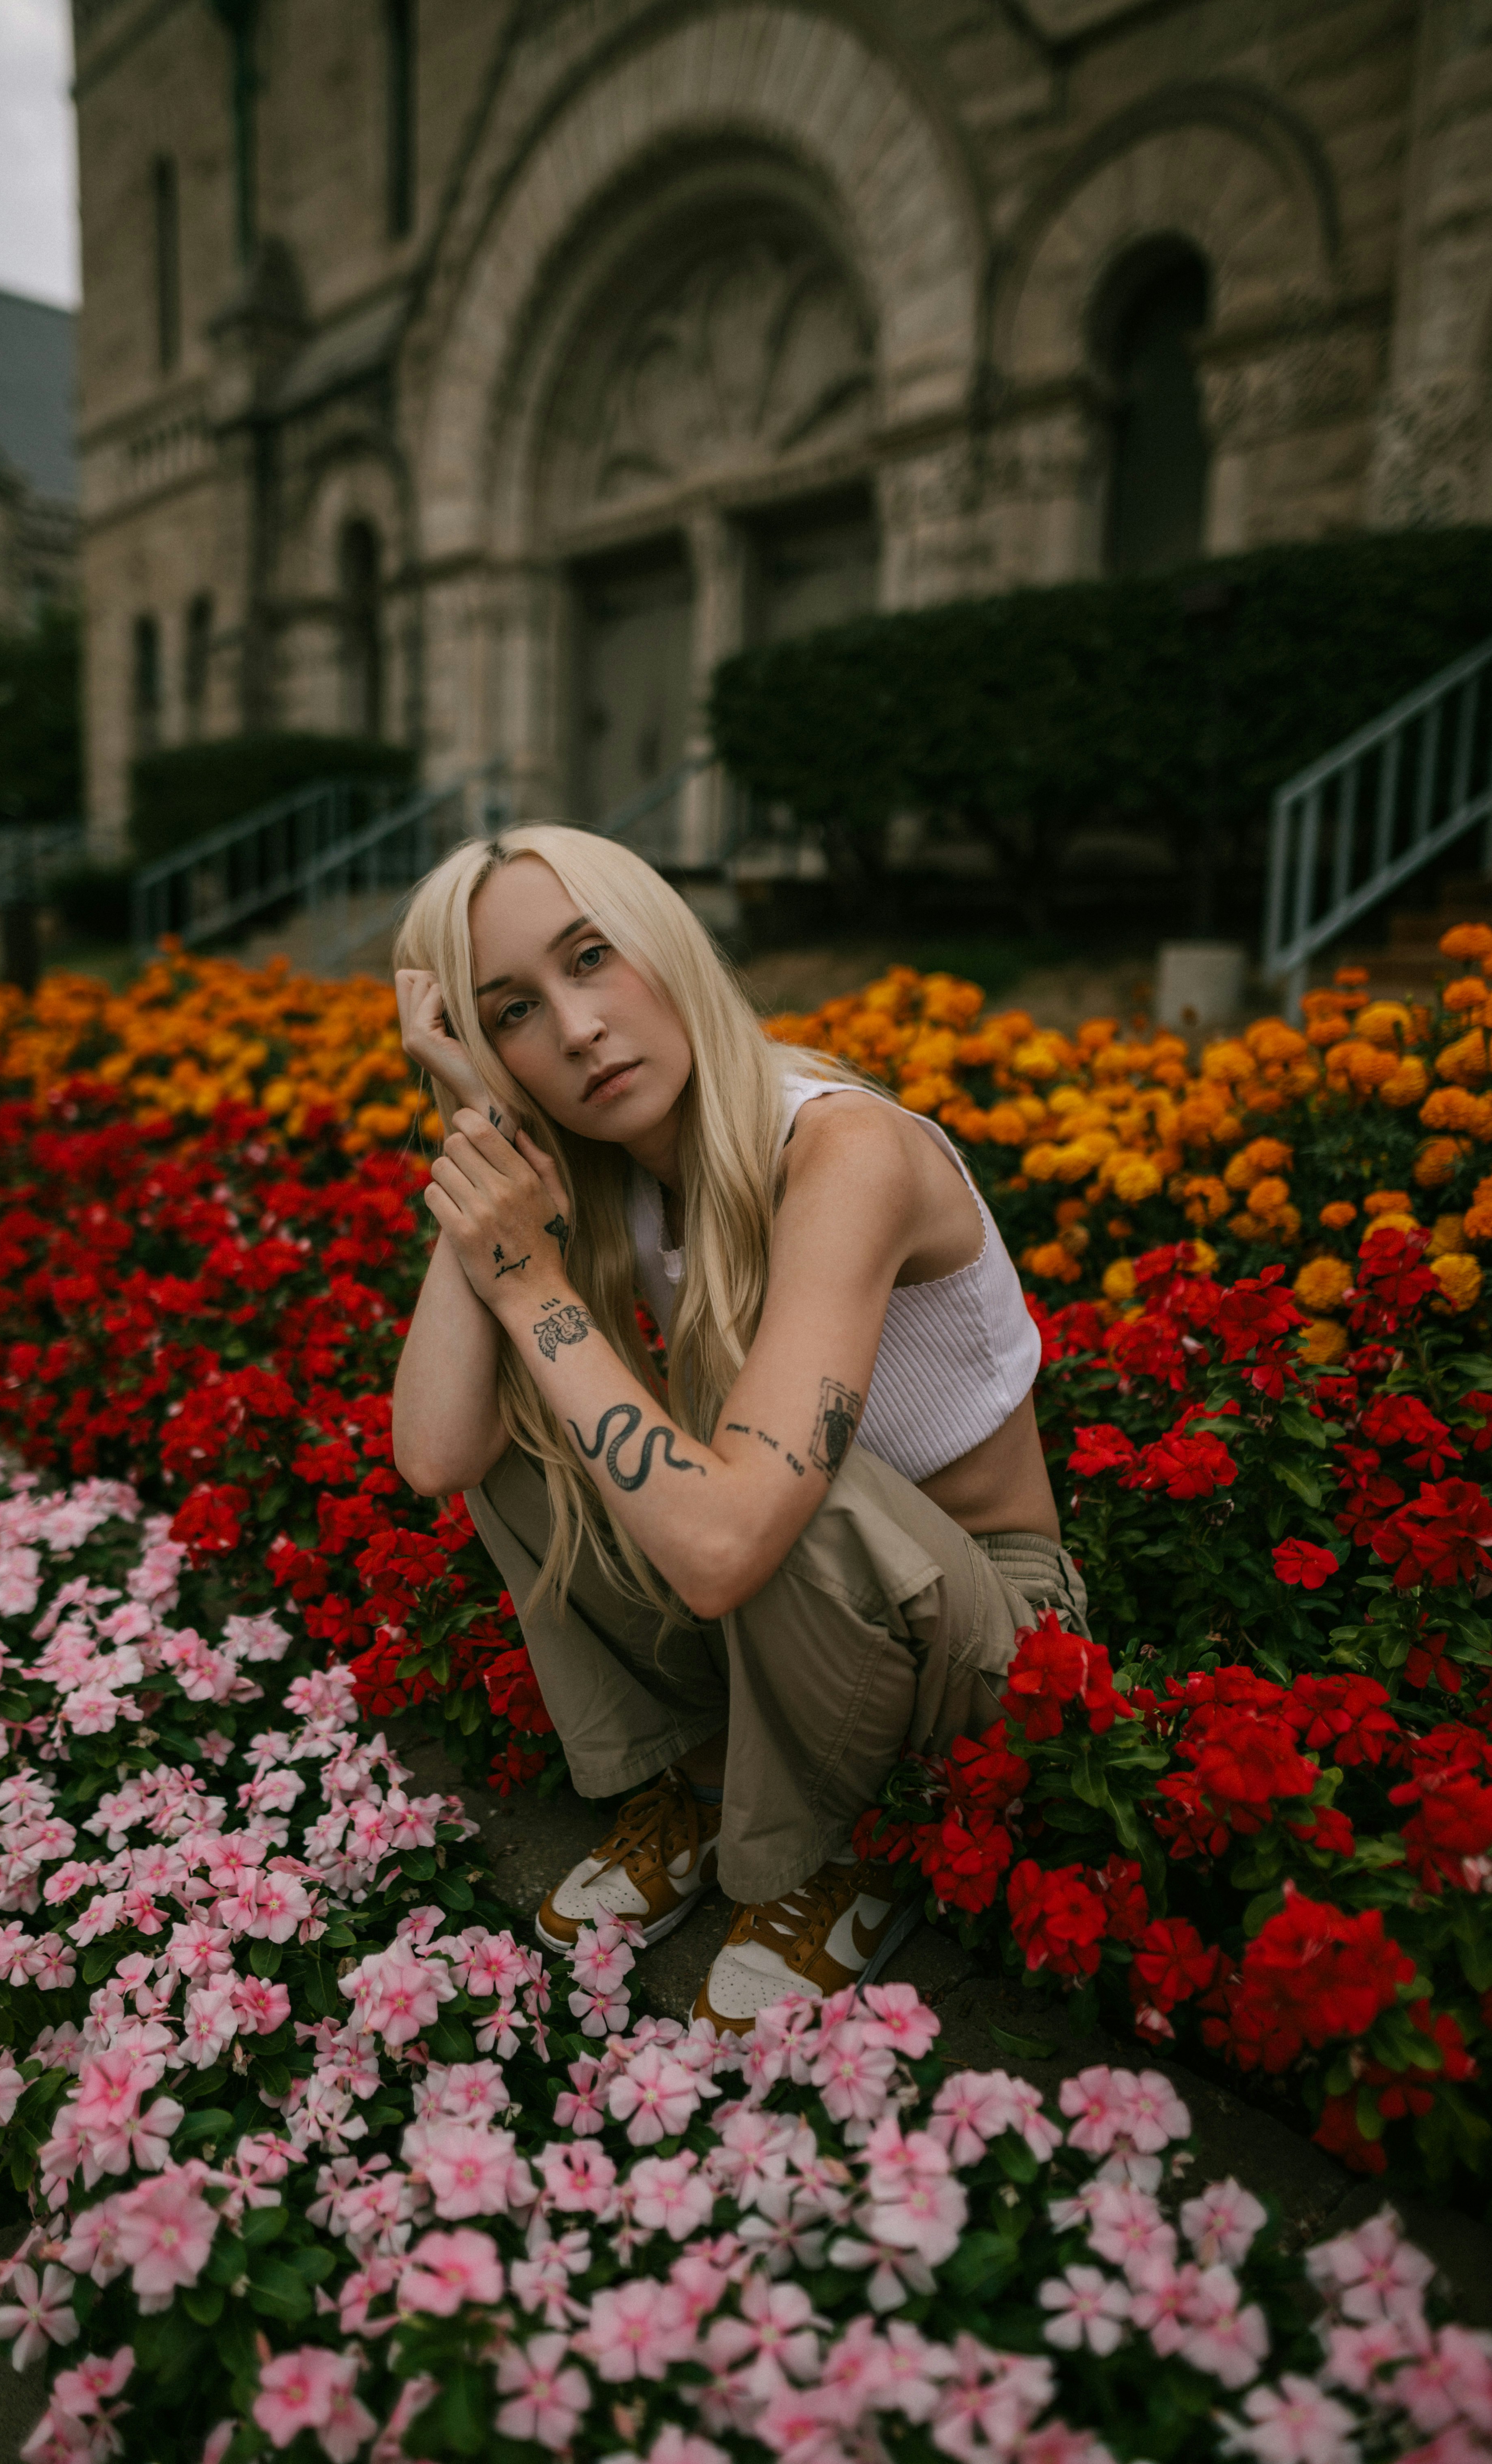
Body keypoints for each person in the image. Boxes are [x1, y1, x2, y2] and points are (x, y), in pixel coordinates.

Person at [390, 824, 1088, 2034]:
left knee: (789, 1497)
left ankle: (859, 1843)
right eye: (512, 1013)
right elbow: (440, 1457)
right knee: (534, 1431)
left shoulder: (844, 1148)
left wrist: (529, 1285)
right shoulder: (617, 1168)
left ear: (669, 941)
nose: (578, 1029)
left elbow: (727, 1546)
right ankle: (712, 1785)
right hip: (796, 1592)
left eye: (593, 957)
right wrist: (484, 1133)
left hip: (986, 1639)